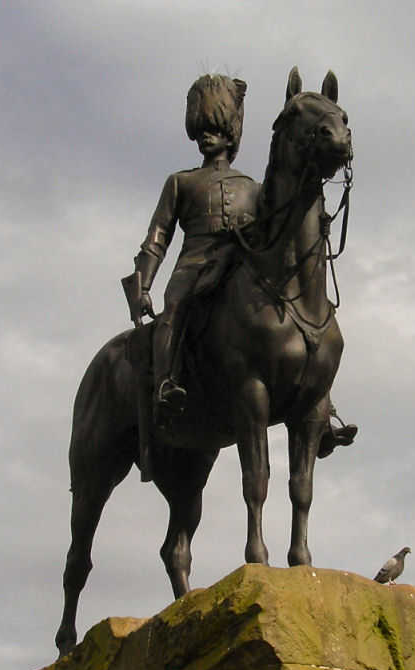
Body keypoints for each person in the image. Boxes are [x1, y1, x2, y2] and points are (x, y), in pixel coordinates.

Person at [124, 73, 258, 416]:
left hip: (240, 265)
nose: (205, 137)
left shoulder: (254, 188)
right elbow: (157, 239)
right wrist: (143, 285)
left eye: (213, 129)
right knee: (175, 305)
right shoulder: (181, 182)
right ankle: (165, 383)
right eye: (200, 131)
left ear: (229, 133)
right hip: (194, 265)